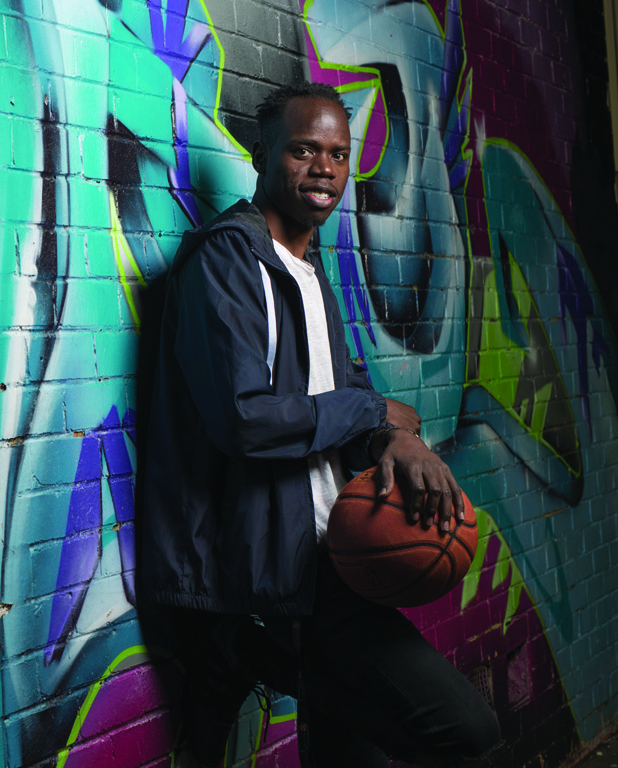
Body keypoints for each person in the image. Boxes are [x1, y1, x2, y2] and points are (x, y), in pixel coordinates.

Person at [138, 82, 501, 767]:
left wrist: (393, 437)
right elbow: (247, 421)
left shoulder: (307, 272)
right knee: (465, 732)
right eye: (304, 149)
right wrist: (371, 413)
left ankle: (240, 658)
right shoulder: (227, 262)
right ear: (261, 153)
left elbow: (349, 391)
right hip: (271, 568)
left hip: (323, 552)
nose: (325, 168)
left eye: (338, 153)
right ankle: (235, 648)